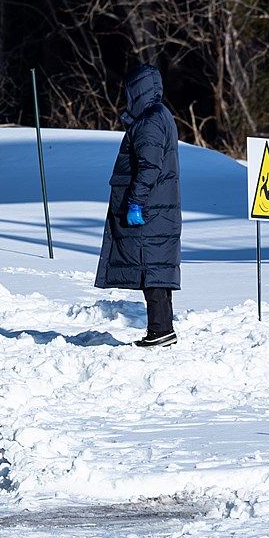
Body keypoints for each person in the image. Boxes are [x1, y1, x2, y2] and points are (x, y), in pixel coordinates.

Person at [95, 63, 182, 347]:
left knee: (151, 269)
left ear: (137, 90)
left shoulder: (149, 121)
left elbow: (148, 166)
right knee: (156, 268)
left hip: (151, 210)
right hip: (160, 209)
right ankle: (163, 328)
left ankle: (159, 331)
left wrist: (135, 203)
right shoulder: (161, 115)